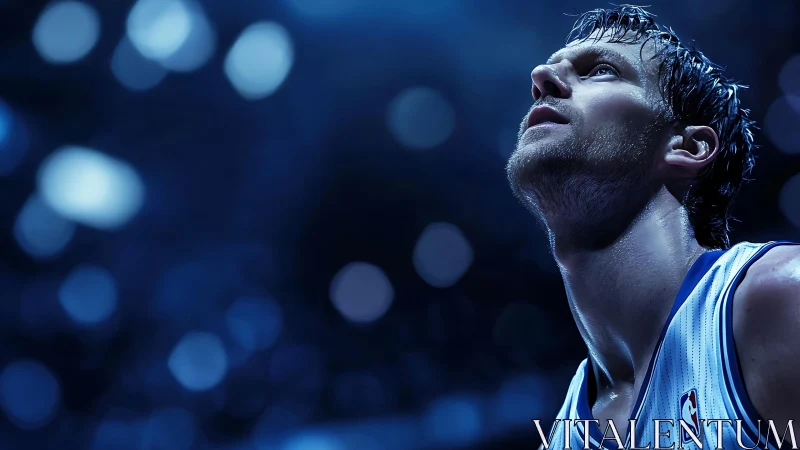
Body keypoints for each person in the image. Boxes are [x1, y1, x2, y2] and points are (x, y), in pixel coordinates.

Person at [505, 5, 800, 449]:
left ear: (688, 147)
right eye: (549, 70)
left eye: (600, 70)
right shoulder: (567, 432)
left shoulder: (780, 298)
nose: (542, 76)